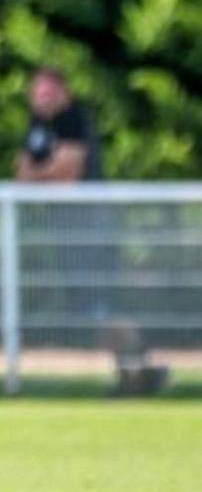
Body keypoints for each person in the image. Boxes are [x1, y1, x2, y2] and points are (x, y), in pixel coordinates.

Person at [14, 67, 166, 394]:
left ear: (64, 92)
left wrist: (39, 176)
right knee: (91, 310)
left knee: (103, 305)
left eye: (48, 92)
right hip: (65, 232)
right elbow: (23, 173)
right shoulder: (38, 125)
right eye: (37, 93)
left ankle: (141, 366)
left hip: (90, 229)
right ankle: (133, 373)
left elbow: (68, 175)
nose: (41, 99)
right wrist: (45, 175)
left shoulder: (73, 120)